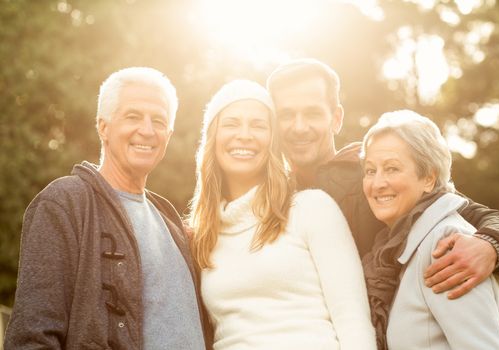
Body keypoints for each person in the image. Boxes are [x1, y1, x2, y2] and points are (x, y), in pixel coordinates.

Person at [266, 58, 499, 299]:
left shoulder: (378, 175)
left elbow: (481, 217)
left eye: (312, 113)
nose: (299, 127)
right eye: (286, 115)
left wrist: (491, 246)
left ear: (336, 119)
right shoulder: (266, 195)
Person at [5, 67, 209, 349]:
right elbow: (32, 337)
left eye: (159, 121)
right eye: (133, 116)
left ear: (169, 134)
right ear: (103, 127)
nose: (147, 130)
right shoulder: (66, 203)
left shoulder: (172, 224)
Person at [189, 80, 376, 350]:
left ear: (272, 140)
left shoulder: (311, 208)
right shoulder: (202, 235)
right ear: (213, 138)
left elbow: (352, 319)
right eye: (231, 123)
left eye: (258, 125)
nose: (244, 134)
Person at [361, 110, 499, 349]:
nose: (377, 183)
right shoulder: (403, 245)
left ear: (429, 178)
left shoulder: (445, 244)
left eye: (391, 169)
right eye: (370, 170)